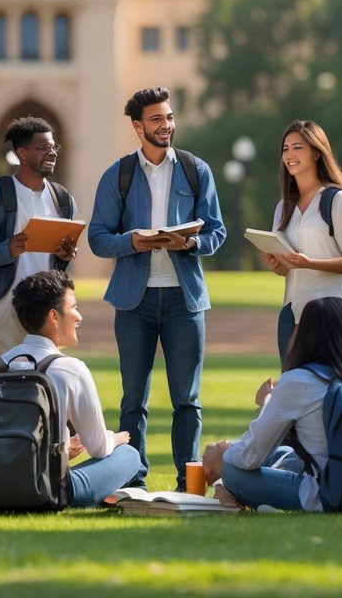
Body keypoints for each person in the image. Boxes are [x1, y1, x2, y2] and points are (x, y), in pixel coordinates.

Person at [87, 87, 226, 490]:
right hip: (135, 302)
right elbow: (98, 237)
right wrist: (130, 241)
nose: (166, 125)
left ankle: (189, 483)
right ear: (137, 125)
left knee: (188, 400)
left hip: (186, 301)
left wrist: (190, 242)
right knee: (134, 400)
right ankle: (133, 481)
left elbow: (216, 231)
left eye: (168, 118)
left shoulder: (196, 169)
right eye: (156, 119)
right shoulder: (119, 174)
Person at [0, 270, 142, 507]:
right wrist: (117, 438)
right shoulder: (71, 369)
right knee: (129, 455)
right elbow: (99, 447)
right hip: (48, 490)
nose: (79, 316)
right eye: (74, 307)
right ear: (53, 316)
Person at [200, 297, 342, 512]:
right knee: (283, 452)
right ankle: (226, 486)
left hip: (330, 494)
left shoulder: (299, 380)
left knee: (224, 463)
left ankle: (225, 485)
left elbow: (251, 457)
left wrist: (223, 451)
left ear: (305, 334)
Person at [260, 119, 342, 361]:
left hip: (333, 311)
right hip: (292, 311)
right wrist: (278, 264)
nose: (290, 154)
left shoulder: (338, 201)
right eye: (285, 149)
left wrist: (308, 263)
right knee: (293, 386)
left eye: (298, 147)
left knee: (331, 386)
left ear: (317, 153)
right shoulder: (283, 207)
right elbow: (287, 269)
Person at [0, 117, 78, 358]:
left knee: (48, 379)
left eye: (53, 147)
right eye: (43, 148)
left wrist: (65, 256)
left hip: (49, 307)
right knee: (6, 384)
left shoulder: (63, 200)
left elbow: (58, 260)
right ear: (22, 153)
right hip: (6, 308)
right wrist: (7, 250)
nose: (51, 153)